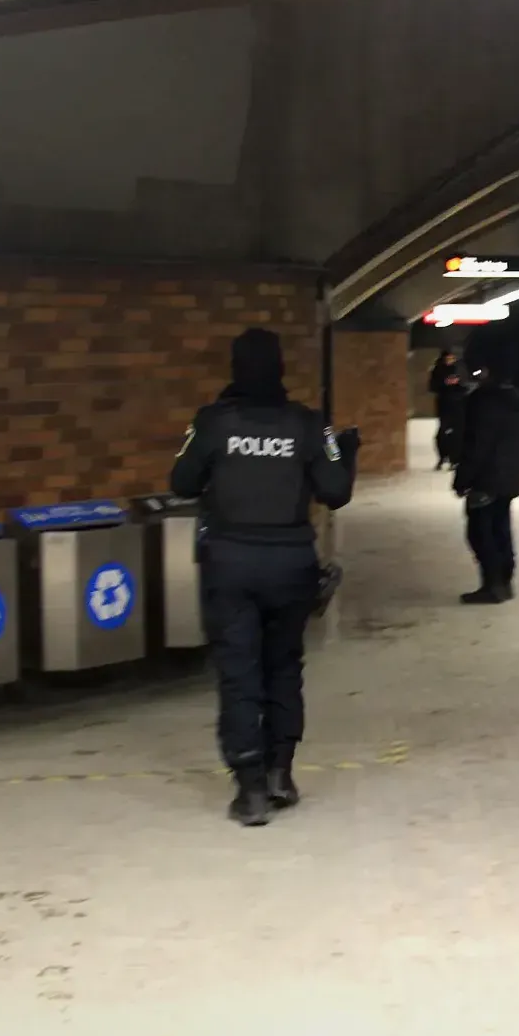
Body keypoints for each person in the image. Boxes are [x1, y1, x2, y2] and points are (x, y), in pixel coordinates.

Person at [171, 327, 360, 826]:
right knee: (282, 667)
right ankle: (281, 772)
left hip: (230, 562)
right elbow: (336, 491)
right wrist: (346, 450)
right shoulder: (306, 424)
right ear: (280, 369)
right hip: (290, 563)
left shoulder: (214, 422)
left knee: (238, 675)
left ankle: (250, 790)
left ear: (235, 370)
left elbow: (182, 482)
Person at [453, 333, 519, 605]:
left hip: (485, 478)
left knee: (479, 532)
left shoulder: (483, 401)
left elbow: (478, 444)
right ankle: (505, 582)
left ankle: (492, 585)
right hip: (508, 478)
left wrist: (463, 478)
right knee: (501, 529)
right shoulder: (518, 398)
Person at [429, 348, 467, 471]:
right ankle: (443, 456)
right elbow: (433, 386)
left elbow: (466, 385)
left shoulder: (459, 369)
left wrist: (458, 383)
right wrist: (444, 383)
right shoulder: (438, 371)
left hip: (458, 406)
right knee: (443, 433)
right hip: (445, 405)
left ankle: (455, 458)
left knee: (457, 434)